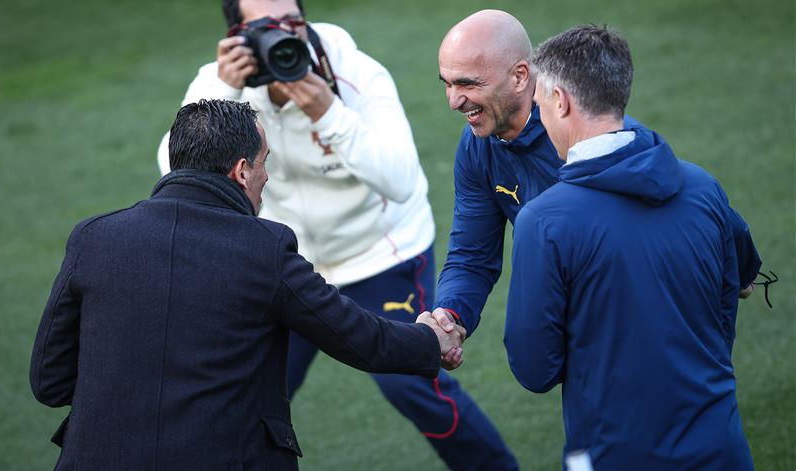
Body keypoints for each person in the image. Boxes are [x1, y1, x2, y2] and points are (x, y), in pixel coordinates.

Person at [156, 1, 518, 468]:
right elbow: (174, 171)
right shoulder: (220, 87)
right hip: (286, 264)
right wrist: (224, 84)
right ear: (235, 36)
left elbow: (402, 179)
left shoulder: (354, 73)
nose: (284, 36)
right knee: (245, 389)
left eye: (292, 22)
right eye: (265, 26)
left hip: (380, 252)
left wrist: (329, 113)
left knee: (413, 384)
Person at [30, 99, 466, 470]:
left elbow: (49, 381)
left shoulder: (94, 237)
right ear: (241, 171)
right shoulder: (265, 249)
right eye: (264, 163)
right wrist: (431, 340)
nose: (267, 177)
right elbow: (359, 338)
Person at [505, 25, 757, 469]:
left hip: (613, 454)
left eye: (541, 106)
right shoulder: (703, 188)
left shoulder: (544, 222)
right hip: (721, 447)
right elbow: (733, 291)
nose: (541, 119)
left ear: (560, 101)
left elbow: (534, 368)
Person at [432, 9, 759, 337]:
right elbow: (472, 254)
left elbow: (687, 194)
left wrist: (742, 266)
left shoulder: (591, 136)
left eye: (467, 84)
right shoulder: (479, 147)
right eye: (446, 83)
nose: (453, 100)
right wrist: (450, 315)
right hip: (590, 338)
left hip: (650, 322)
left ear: (519, 76)